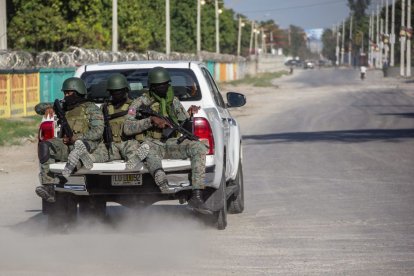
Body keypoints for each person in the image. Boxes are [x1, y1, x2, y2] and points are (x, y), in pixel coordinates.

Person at [123, 67, 210, 213]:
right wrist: (150, 121)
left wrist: (189, 115)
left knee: (199, 147)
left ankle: (196, 196)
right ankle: (160, 177)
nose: (164, 87)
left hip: (170, 143)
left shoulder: (172, 101)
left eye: (166, 84)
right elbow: (127, 127)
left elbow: (182, 124)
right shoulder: (139, 103)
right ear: (152, 87)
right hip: (150, 143)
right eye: (159, 85)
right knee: (147, 150)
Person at [61, 73, 150, 177]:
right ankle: (88, 159)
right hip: (109, 144)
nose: (116, 94)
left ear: (126, 90)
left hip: (127, 142)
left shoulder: (133, 107)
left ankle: (135, 159)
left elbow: (133, 118)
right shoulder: (105, 107)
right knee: (98, 154)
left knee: (132, 149)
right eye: (113, 91)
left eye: (119, 91)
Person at [35, 77, 104, 202]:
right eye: (65, 93)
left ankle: (66, 178)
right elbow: (38, 108)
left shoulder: (92, 108)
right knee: (45, 146)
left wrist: (76, 138)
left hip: (86, 146)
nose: (66, 96)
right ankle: (48, 188)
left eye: (69, 93)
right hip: (66, 144)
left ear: (78, 92)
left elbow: (97, 132)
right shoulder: (63, 106)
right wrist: (48, 108)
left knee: (78, 149)